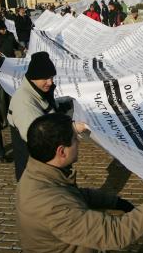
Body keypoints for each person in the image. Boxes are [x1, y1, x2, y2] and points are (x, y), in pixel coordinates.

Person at [16, 113, 143, 253]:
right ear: (61, 151)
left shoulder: (38, 172)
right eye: (75, 140)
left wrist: (116, 202)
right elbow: (116, 233)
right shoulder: (51, 205)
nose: (79, 142)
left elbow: (75, 195)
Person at [8, 51, 85, 181]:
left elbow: (49, 107)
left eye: (51, 77)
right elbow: (39, 137)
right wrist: (72, 128)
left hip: (46, 166)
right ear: (33, 77)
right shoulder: (23, 102)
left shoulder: (37, 91)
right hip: (37, 173)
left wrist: (68, 102)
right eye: (45, 78)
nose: (50, 82)